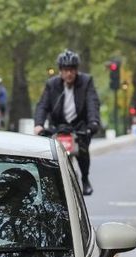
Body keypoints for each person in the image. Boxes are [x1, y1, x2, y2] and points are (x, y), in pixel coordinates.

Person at [33, 49, 100, 196]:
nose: (69, 74)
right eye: (65, 70)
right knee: (50, 155)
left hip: (79, 126)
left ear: (76, 70)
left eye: (72, 70)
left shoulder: (86, 82)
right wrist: (38, 124)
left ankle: (85, 179)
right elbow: (42, 105)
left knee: (82, 151)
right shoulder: (52, 84)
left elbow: (92, 103)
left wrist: (93, 123)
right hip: (58, 126)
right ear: (60, 71)